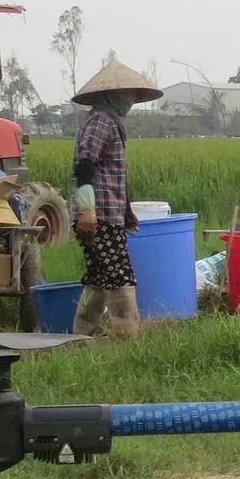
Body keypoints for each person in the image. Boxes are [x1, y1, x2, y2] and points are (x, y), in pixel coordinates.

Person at [68, 60, 163, 338]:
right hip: (99, 216)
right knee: (120, 276)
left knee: (99, 277)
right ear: (111, 95)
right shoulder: (101, 121)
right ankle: (127, 338)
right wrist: (87, 211)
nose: (130, 99)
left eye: (133, 94)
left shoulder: (109, 122)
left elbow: (106, 172)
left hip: (107, 214)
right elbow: (85, 166)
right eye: (127, 93)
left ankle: (81, 337)